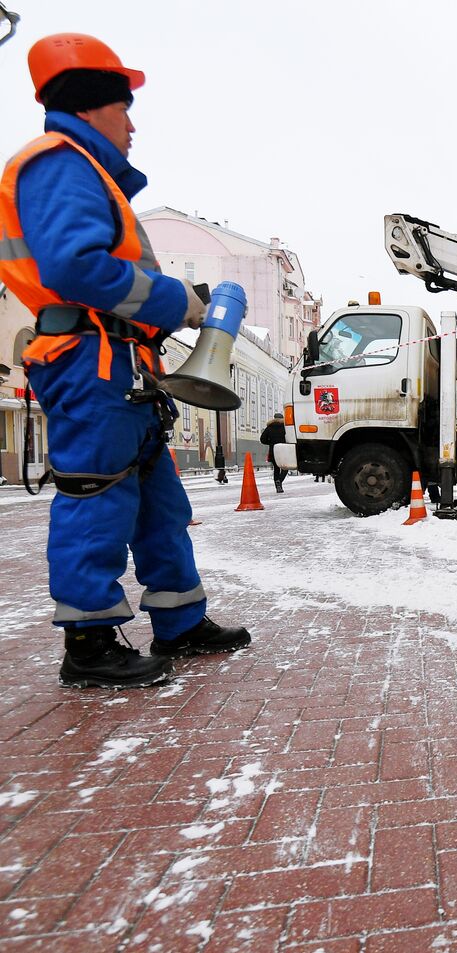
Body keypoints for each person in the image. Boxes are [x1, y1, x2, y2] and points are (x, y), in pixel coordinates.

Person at [0, 34, 251, 689]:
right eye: (123, 107)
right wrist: (181, 303)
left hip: (119, 363)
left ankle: (179, 620)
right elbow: (76, 266)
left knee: (158, 505)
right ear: (89, 109)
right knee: (98, 496)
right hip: (90, 359)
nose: (133, 123)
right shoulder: (60, 163)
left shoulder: (87, 172)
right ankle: (88, 642)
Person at [259, 411, 287, 492]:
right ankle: (280, 481)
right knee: (285, 468)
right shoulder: (285, 427)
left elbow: (262, 439)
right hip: (284, 450)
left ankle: (278, 487)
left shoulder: (269, 427)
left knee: (276, 469)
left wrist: (270, 443)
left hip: (274, 450)